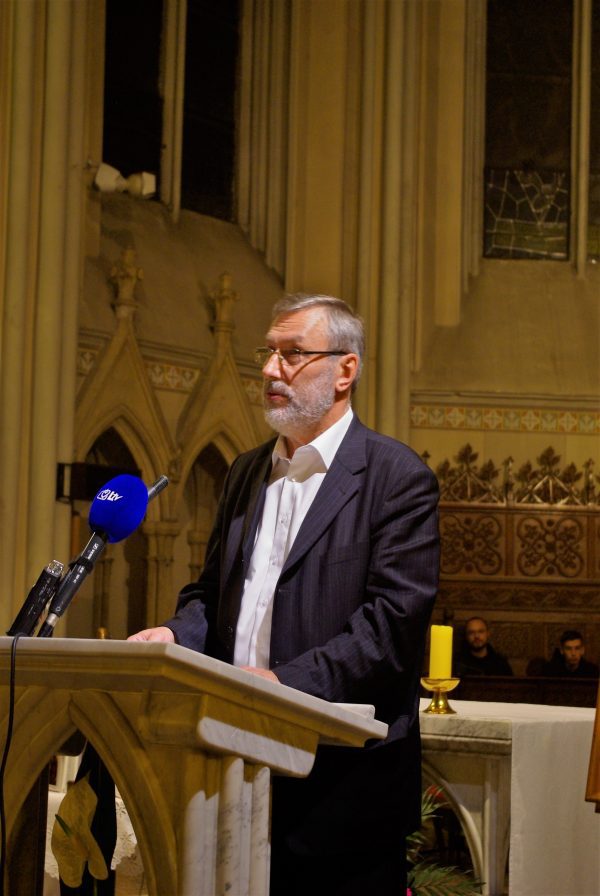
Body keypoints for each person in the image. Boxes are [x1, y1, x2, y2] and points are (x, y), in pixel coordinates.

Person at [128, 293, 440, 895]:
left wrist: (279, 686)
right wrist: (173, 634)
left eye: (293, 354)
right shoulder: (247, 471)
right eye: (268, 353)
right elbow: (211, 594)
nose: (271, 370)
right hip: (230, 765)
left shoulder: (396, 478)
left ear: (345, 370)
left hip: (340, 789)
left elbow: (390, 629)